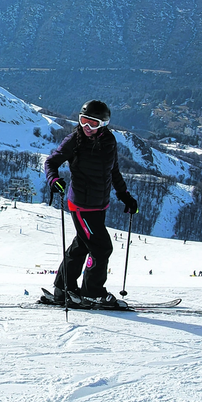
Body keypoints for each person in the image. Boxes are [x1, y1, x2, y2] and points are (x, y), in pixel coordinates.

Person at [42, 99, 139, 309]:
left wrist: (125, 196)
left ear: (103, 124)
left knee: (82, 245)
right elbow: (51, 162)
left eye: (92, 123)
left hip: (99, 205)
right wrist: (53, 180)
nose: (86, 127)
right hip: (81, 206)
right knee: (102, 248)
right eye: (83, 121)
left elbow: (113, 171)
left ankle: (63, 288)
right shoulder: (74, 141)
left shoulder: (110, 141)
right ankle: (93, 292)